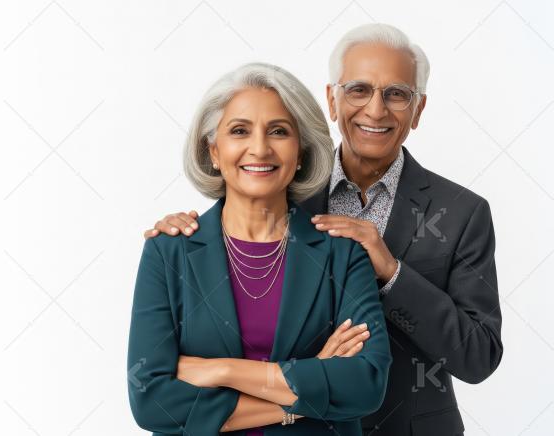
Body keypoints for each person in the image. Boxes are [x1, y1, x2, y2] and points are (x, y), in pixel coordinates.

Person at [143, 24, 502, 436]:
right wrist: (184, 235)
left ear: (418, 109)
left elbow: (478, 356)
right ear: (332, 100)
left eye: (397, 94)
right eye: (358, 89)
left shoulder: (461, 213)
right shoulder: (280, 191)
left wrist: (392, 272)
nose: (375, 110)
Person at [127, 62, 391, 435]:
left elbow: (365, 384)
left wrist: (223, 370)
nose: (260, 148)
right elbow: (152, 403)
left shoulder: (343, 254)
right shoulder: (169, 252)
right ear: (214, 151)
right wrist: (304, 396)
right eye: (239, 131)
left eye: (279, 132)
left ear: (300, 152)